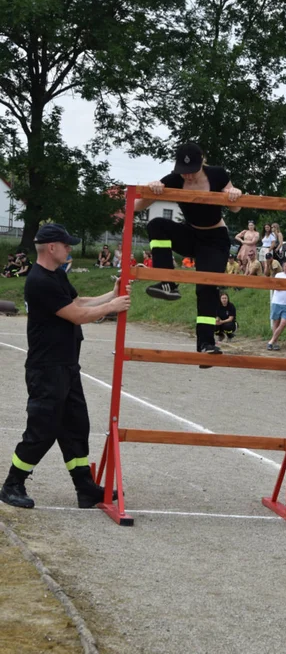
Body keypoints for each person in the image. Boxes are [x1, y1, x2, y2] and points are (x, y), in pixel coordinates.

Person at [0, 223, 131, 510]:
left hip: (66, 364)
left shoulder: (56, 274)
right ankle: (12, 484)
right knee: (42, 428)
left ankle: (85, 488)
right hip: (47, 367)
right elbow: (76, 315)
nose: (70, 248)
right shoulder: (39, 280)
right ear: (51, 247)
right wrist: (112, 308)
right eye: (66, 244)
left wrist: (111, 295)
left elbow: (78, 301)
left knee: (76, 425)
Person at [134, 142, 242, 357]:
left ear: (202, 162)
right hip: (191, 235)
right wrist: (151, 189)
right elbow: (137, 205)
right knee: (156, 224)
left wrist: (233, 192)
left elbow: (236, 207)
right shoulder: (174, 179)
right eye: (184, 173)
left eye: (192, 172)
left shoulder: (217, 174)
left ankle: (206, 344)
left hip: (215, 240)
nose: (188, 177)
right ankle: (167, 282)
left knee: (207, 288)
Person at [266, 259, 286, 351]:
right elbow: (276, 287)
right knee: (276, 323)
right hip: (277, 301)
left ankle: (271, 341)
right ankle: (275, 343)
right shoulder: (278, 275)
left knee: (284, 323)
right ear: (283, 267)